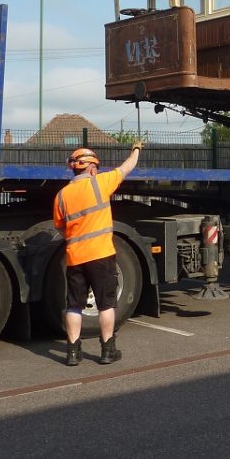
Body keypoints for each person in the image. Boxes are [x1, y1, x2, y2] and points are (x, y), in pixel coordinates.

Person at [53, 141, 142, 366]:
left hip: (75, 257)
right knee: (106, 304)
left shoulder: (61, 196)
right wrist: (136, 150)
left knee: (74, 305)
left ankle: (73, 353)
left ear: (74, 168)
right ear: (92, 168)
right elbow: (127, 167)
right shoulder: (100, 183)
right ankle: (107, 351)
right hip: (101, 255)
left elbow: (60, 227)